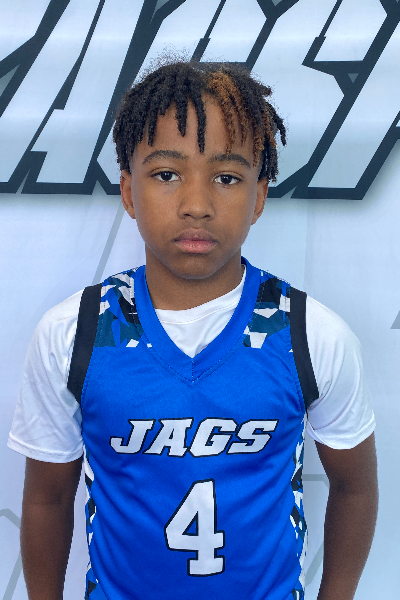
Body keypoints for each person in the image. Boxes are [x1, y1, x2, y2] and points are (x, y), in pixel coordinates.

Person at [8, 61, 377, 600]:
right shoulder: (74, 333)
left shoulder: (310, 334)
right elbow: (47, 498)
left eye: (226, 178)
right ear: (128, 191)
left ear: (259, 196)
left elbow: (355, 487)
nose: (197, 206)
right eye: (166, 175)